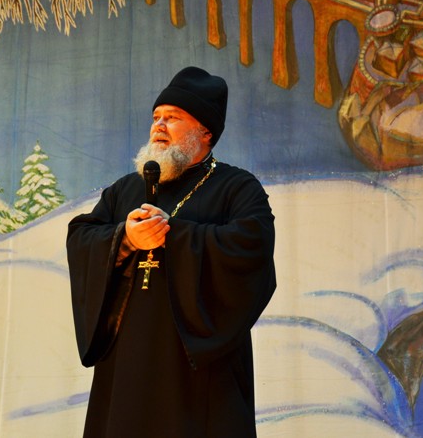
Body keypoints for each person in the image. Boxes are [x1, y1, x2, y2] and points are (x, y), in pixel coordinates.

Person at [66, 66, 276, 437]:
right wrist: (126, 238)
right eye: (156, 117)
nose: (159, 126)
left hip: (197, 369)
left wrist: (173, 235)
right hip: (128, 362)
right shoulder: (125, 189)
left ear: (205, 132)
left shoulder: (237, 188)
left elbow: (251, 246)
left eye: (173, 118)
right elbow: (81, 236)